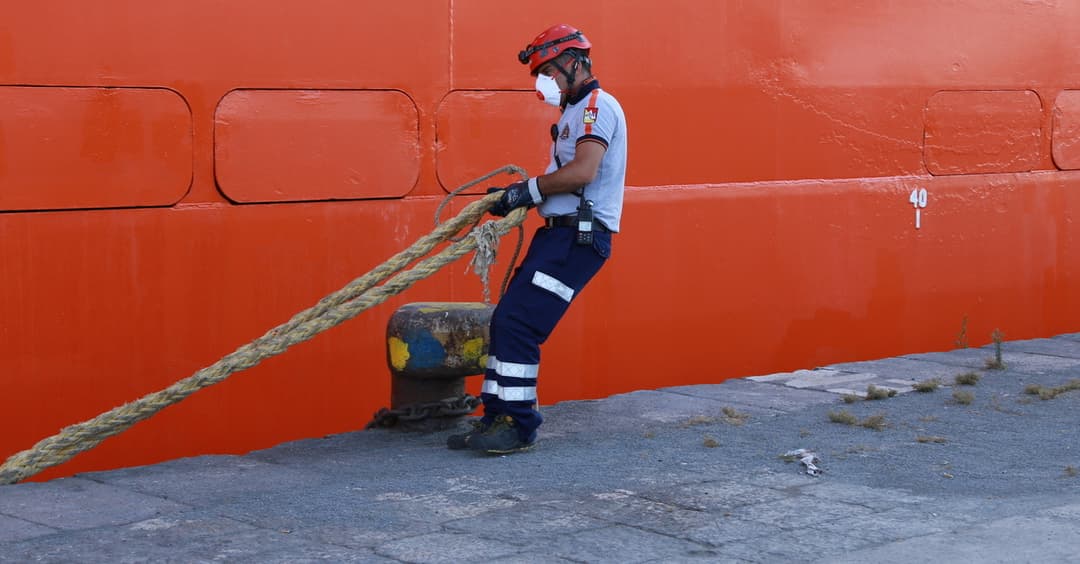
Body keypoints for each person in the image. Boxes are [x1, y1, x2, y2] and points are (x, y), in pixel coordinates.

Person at [447, 23, 628, 454]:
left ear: (574, 63)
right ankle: (497, 415)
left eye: (547, 70)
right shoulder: (572, 111)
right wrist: (514, 198)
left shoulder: (596, 108)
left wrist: (523, 192)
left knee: (519, 323)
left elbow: (582, 172)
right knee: (506, 319)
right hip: (560, 237)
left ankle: (518, 424)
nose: (543, 81)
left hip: (578, 240)